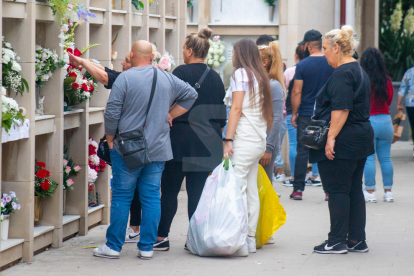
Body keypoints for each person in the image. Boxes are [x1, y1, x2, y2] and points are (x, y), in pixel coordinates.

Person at [94, 40, 198, 260]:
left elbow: (112, 113)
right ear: (152, 57)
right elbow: (191, 95)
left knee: (122, 195)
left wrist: (110, 139)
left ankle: (113, 246)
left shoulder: (124, 79)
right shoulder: (167, 77)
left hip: (127, 148)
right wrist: (171, 114)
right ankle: (147, 247)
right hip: (158, 147)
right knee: (151, 196)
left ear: (131, 54)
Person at [155, 28, 227, 251]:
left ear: (189, 51)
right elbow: (220, 115)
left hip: (179, 140)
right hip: (206, 143)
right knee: (197, 193)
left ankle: (161, 238)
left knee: (169, 191)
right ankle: (194, 238)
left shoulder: (181, 72)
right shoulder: (216, 77)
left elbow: (167, 100)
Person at [310, 26, 374, 254]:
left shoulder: (342, 73)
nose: (324, 53)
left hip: (344, 140)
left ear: (337, 48)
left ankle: (337, 240)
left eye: (326, 49)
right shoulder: (358, 70)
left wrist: (330, 138)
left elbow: (341, 109)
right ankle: (357, 239)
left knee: (337, 190)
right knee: (354, 188)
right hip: (360, 138)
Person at [69, 52, 142, 243]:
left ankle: (129, 232)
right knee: (140, 188)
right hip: (139, 140)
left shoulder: (126, 81)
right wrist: (86, 61)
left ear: (134, 63)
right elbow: (106, 71)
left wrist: (83, 62)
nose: (122, 63)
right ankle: (140, 233)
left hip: (126, 142)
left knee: (126, 189)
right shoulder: (136, 78)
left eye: (126, 61)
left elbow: (104, 77)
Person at [223, 38, 273, 254]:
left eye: (233, 52)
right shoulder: (261, 76)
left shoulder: (240, 74)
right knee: (251, 189)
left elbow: (235, 109)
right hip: (258, 139)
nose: (232, 57)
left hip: (243, 139)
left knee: (238, 187)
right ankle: (250, 238)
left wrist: (228, 139)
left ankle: (241, 238)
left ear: (240, 54)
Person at [290, 29, 334, 200]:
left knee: (302, 150)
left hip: (306, 114)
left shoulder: (302, 65)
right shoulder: (330, 63)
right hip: (325, 114)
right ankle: (329, 190)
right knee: (326, 150)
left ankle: (298, 190)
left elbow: (296, 91)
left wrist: (294, 113)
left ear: (308, 46)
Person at [282, 45, 321, 187]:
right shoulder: (322, 66)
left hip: (299, 111)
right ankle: (316, 176)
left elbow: (290, 91)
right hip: (318, 111)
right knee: (317, 144)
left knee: (297, 145)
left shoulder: (293, 70)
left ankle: (295, 179)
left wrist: (293, 112)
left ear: (296, 56)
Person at [360, 48, 394, 203]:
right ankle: (388, 192)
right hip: (386, 121)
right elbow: (389, 101)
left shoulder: (363, 79)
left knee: (369, 158)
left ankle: (370, 191)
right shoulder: (387, 80)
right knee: (386, 159)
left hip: (370, 121)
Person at [257, 42, 285, 183]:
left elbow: (277, 118)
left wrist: (268, 148)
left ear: (264, 63)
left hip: (267, 143)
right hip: (257, 141)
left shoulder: (274, 85)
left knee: (264, 186)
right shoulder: (260, 83)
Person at [398, 66, 414, 157]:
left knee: (413, 125)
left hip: (410, 104)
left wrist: (398, 104)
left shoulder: (409, 72)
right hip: (410, 103)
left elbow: (402, 89)